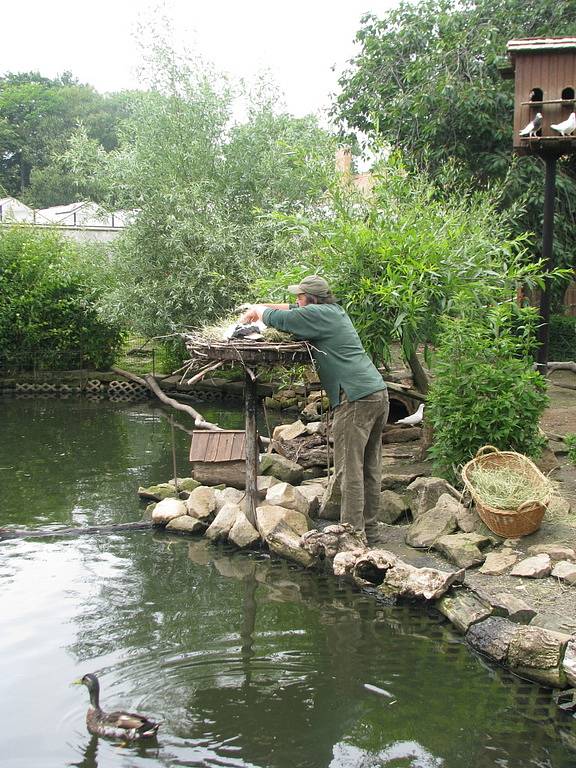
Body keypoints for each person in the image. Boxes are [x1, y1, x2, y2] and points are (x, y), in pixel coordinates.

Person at [241, 275, 389, 546]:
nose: (297, 299)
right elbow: (292, 310)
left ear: (313, 298)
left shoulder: (318, 315)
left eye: (300, 295)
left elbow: (284, 320)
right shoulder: (333, 311)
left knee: (349, 470)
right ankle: (371, 530)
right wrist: (259, 305)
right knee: (370, 466)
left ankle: (353, 537)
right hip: (377, 394)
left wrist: (260, 311)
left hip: (355, 398)